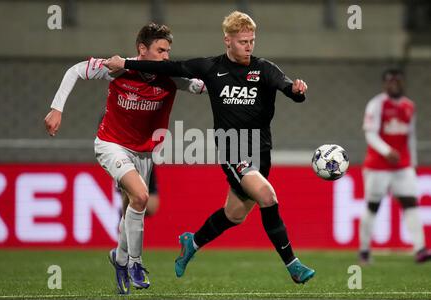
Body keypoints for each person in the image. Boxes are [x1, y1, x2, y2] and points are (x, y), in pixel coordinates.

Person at [104, 11, 315, 284]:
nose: (249, 46)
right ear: (228, 41)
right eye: (242, 41)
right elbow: (171, 68)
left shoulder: (264, 69)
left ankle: (192, 243)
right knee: (267, 196)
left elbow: (289, 89)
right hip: (232, 149)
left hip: (260, 152)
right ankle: (293, 266)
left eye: (252, 40)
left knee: (234, 215)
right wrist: (128, 63)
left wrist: (298, 91)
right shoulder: (211, 68)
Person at [44, 22, 206, 294]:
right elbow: (75, 71)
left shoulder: (171, 77)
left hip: (144, 153)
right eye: (160, 50)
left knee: (137, 203)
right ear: (142, 49)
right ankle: (134, 263)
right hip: (111, 144)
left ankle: (118, 257)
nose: (166, 56)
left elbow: (201, 86)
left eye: (168, 51)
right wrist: (56, 109)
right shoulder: (118, 68)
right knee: (141, 197)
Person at [359, 68, 431, 264]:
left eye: (398, 80)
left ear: (402, 82)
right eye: (390, 81)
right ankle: (364, 250)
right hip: (377, 166)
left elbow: (411, 137)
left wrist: (413, 162)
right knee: (373, 206)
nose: (394, 84)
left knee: (411, 203)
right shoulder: (376, 104)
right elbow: (370, 134)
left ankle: (421, 249)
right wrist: (386, 150)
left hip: (402, 165)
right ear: (384, 84)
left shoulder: (409, 106)